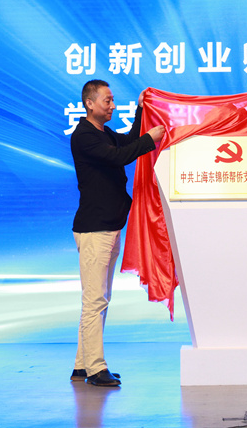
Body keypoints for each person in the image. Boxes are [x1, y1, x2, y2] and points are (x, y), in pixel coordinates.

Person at [69, 79, 165, 387]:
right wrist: (150, 139)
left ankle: (82, 365)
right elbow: (118, 156)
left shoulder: (104, 132)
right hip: (94, 228)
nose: (112, 105)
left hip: (109, 225)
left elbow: (128, 141)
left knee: (99, 298)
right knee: (95, 301)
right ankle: (96, 368)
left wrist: (141, 110)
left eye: (113, 101)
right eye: (107, 101)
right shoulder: (84, 136)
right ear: (89, 103)